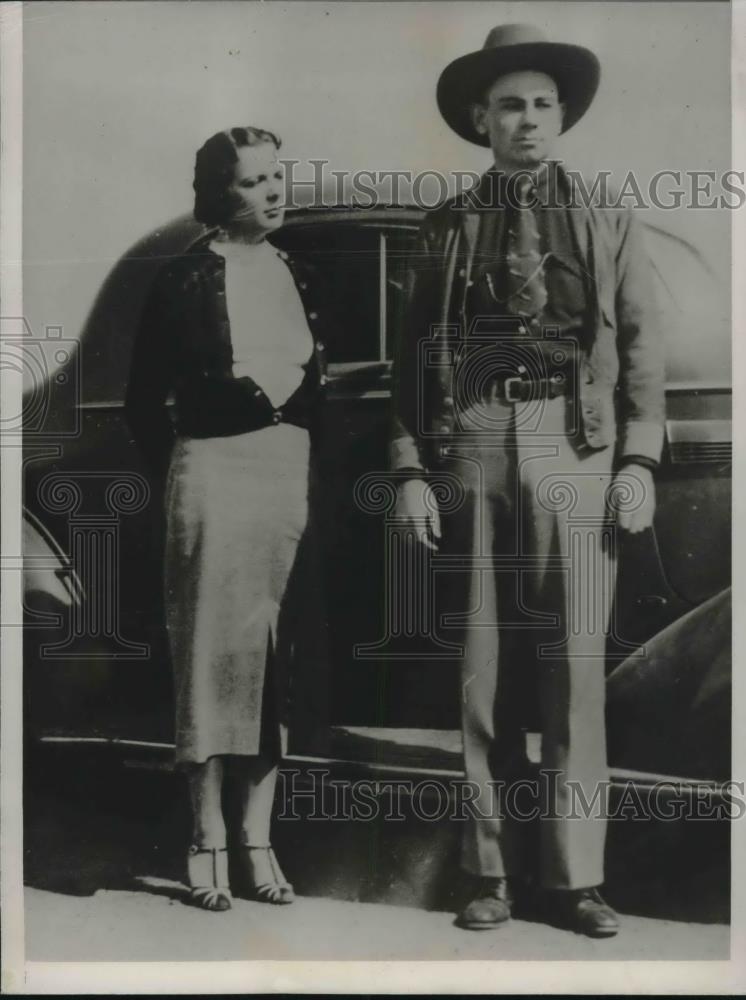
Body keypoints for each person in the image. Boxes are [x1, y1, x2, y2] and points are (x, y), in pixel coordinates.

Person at [391, 24, 664, 937]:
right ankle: (490, 873)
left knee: (575, 667)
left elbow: (643, 355)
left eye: (544, 104)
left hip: (576, 445)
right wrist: (410, 472)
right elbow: (409, 365)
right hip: (473, 439)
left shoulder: (609, 219)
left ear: (562, 117)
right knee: (482, 672)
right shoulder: (443, 228)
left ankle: (575, 878)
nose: (529, 120)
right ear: (481, 119)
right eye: (510, 104)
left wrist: (638, 459)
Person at [126, 126, 329, 911]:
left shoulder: (300, 273)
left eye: (278, 176)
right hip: (211, 474)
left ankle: (258, 839)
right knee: (211, 657)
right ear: (219, 194)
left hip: (287, 478)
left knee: (271, 658)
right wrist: (190, 472)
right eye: (253, 181)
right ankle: (205, 838)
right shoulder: (181, 279)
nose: (274, 192)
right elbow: (146, 404)